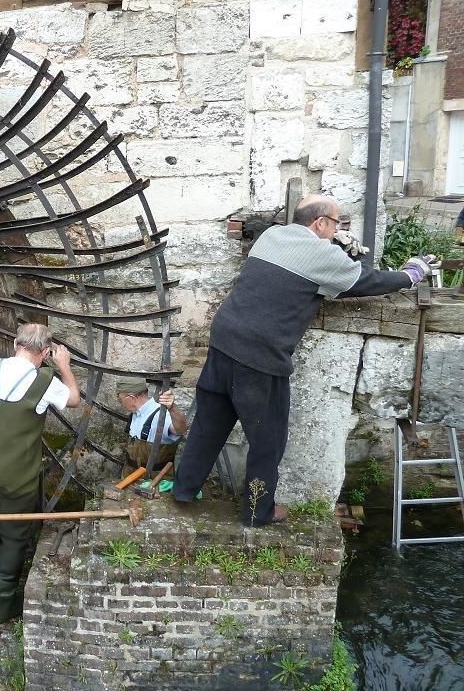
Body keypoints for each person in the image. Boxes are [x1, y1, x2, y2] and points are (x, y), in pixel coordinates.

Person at [172, 194, 437, 526]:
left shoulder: (270, 237)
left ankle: (184, 490)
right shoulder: (321, 253)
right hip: (260, 355)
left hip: (224, 338)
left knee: (210, 424)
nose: (339, 229)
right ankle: (257, 512)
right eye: (338, 223)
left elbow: (301, 269)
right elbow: (366, 281)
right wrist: (412, 273)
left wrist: (337, 247)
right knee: (267, 441)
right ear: (320, 223)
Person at [0, 323, 80, 622]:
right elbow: (74, 400)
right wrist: (64, 367)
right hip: (16, 475)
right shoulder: (44, 381)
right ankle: (1, 607)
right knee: (13, 536)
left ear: (16, 344)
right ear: (45, 352)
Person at [116, 377, 187, 471]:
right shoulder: (136, 414)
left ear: (131, 398)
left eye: (120, 399)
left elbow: (181, 431)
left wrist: (172, 409)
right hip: (131, 474)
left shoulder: (160, 415)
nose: (120, 403)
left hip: (153, 480)